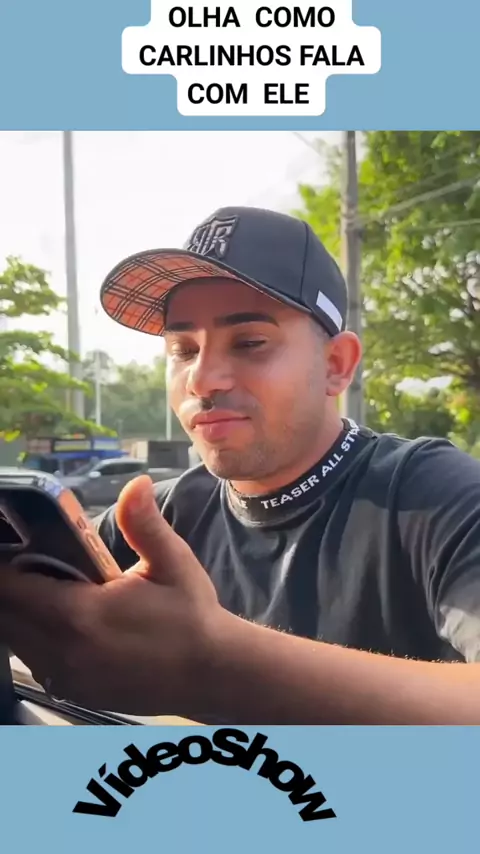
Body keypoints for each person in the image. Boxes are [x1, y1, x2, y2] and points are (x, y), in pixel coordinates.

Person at [1, 205, 480, 724]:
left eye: (250, 343)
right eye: (184, 349)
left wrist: (214, 667)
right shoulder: (157, 519)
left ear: (336, 365)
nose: (202, 379)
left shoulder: (433, 495)